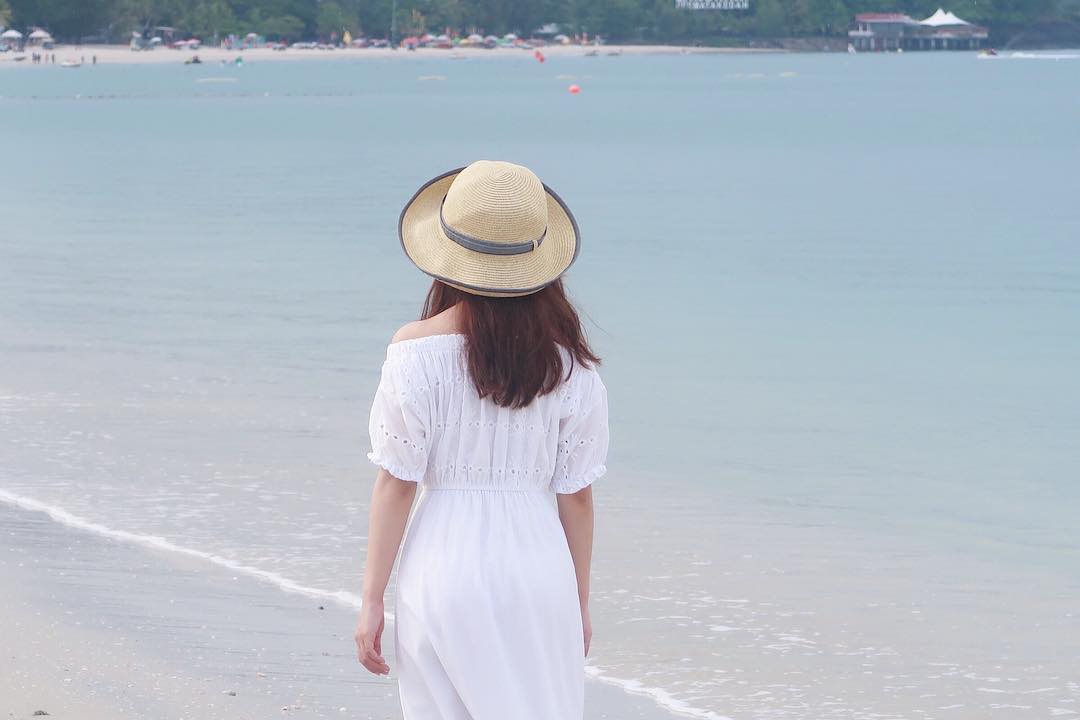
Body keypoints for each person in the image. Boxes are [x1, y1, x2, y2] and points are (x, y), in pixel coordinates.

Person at [355, 160, 609, 720]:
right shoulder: (574, 366)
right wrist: (579, 599)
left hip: (442, 563)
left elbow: (397, 483)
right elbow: (577, 496)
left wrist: (372, 598)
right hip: (539, 567)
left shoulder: (413, 351)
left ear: (448, 254)